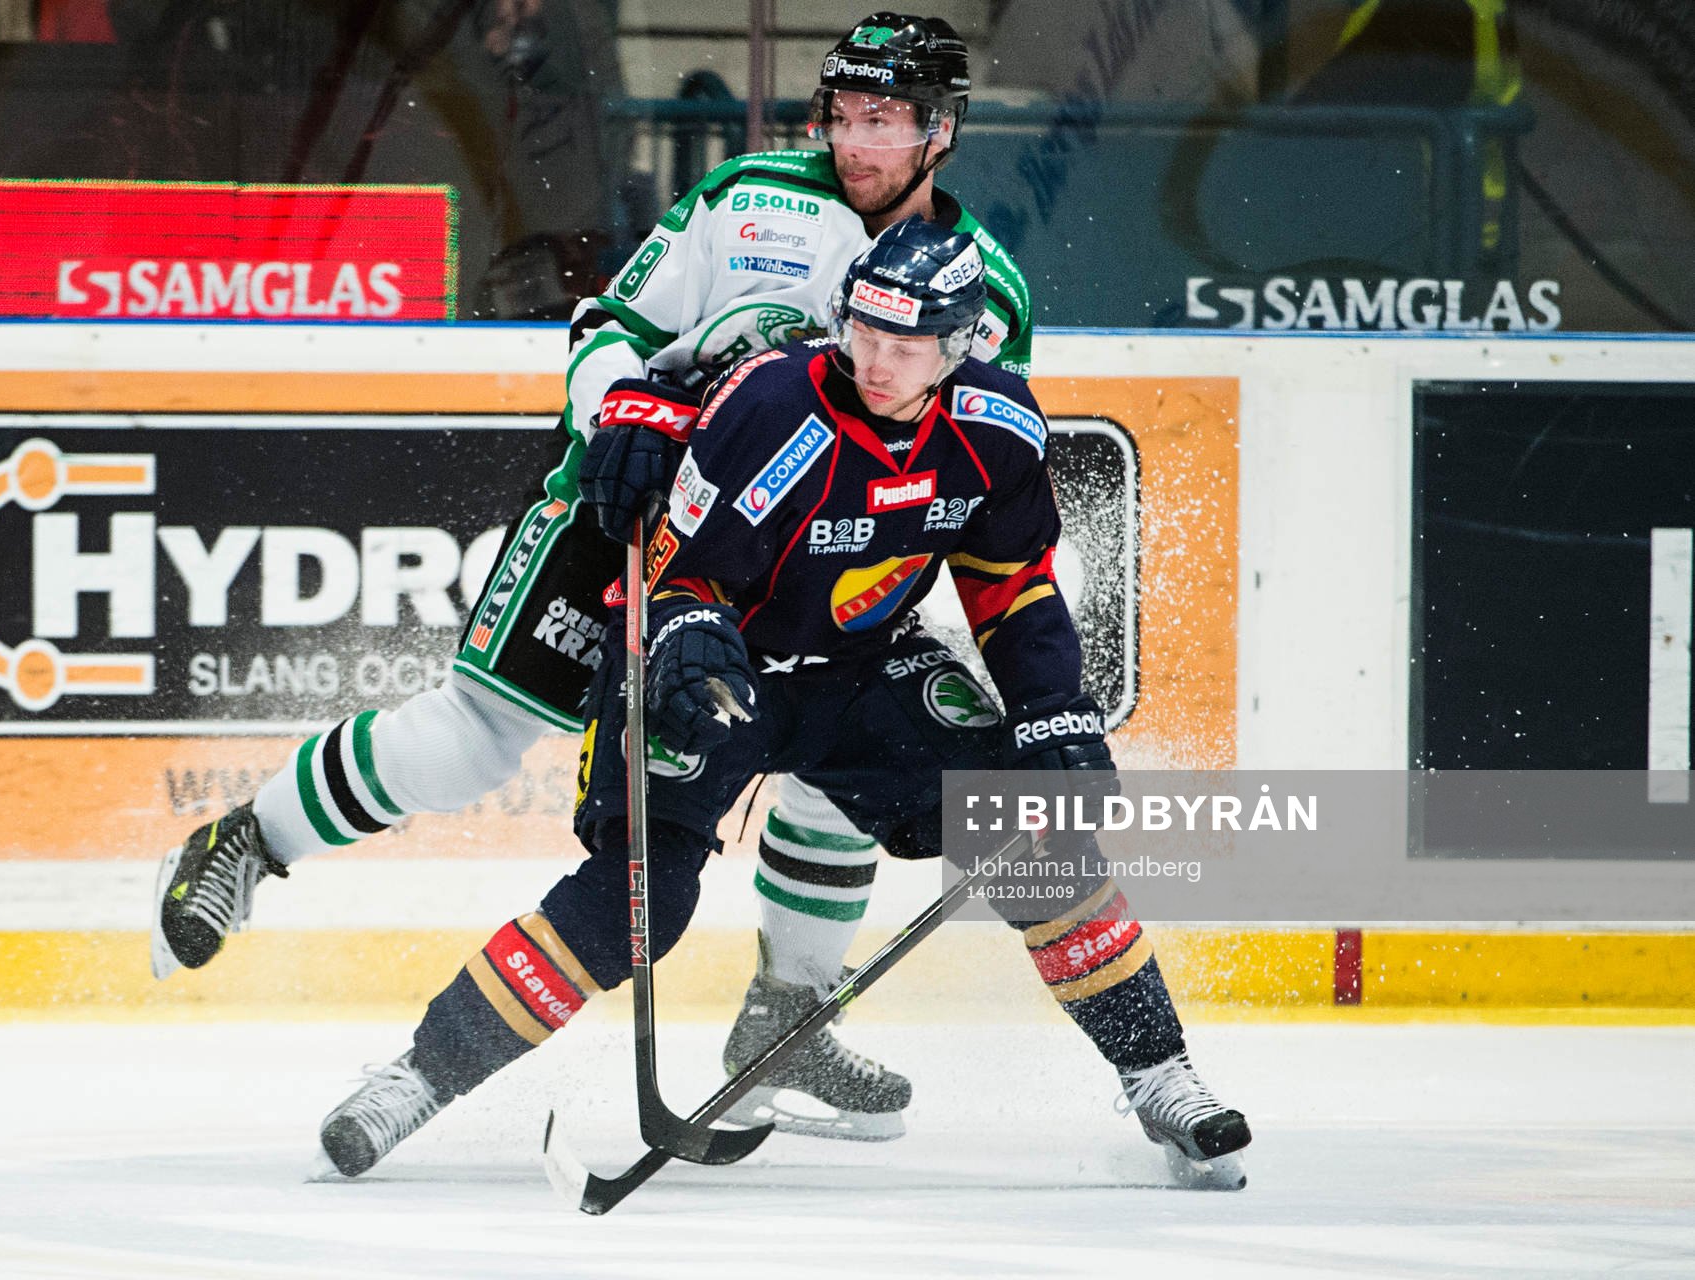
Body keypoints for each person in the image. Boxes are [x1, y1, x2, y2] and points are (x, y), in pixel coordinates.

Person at [151, 12, 1033, 1143]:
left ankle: (793, 1007)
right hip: (619, 519)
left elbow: (952, 447)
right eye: (843, 114)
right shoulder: (751, 195)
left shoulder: (985, 286)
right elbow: (608, 325)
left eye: (886, 119)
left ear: (941, 131)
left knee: (830, 759)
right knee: (472, 736)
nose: (855, 140)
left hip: (779, 563)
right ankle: (249, 838)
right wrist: (620, 410)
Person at [315, 218, 1252, 1186]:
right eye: (863, 334)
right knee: (637, 899)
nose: (877, 362)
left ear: (962, 342)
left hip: (859, 668)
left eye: (905, 346)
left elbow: (1009, 584)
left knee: (1033, 842)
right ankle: (414, 1078)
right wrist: (682, 634)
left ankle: (1159, 1074)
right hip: (710, 669)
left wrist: (1053, 704)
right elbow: (682, 573)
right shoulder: (771, 407)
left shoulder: (997, 427)